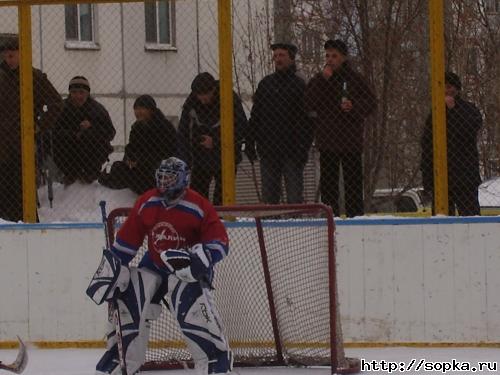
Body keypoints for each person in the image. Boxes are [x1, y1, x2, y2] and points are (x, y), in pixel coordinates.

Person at [87, 157, 232, 375]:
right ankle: (122, 359)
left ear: (183, 179)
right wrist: (112, 269)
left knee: (192, 307)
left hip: (186, 269)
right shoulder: (148, 201)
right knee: (128, 294)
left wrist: (201, 260)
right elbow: (127, 243)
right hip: (155, 264)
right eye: (161, 177)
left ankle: (213, 361)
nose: (164, 183)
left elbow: (219, 242)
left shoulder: (199, 205)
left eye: (170, 178)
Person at [306, 40, 376, 217]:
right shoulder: (319, 79)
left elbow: (371, 103)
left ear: (343, 57)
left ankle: (355, 217)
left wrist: (354, 106)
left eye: (334, 56)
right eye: (327, 55)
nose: (330, 60)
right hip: (328, 140)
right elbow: (308, 102)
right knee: (329, 185)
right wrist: (323, 80)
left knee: (353, 183)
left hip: (350, 140)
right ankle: (331, 217)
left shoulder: (354, 79)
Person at [0, 36, 63, 221]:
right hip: (3, 145)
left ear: (22, 54)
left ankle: (27, 227)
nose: (8, 60)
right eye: (6, 56)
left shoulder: (33, 77)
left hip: (22, 146)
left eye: (12, 55)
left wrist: (38, 127)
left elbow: (56, 104)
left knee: (22, 192)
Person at [246, 43, 313, 204]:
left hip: (292, 151)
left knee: (294, 198)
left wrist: (303, 147)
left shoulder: (299, 85)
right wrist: (249, 141)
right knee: (269, 199)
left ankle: (296, 226)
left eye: (281, 55)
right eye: (275, 56)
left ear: (291, 58)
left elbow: (308, 122)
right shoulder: (265, 84)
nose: (278, 59)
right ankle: (269, 227)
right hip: (269, 150)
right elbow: (255, 116)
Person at [177, 72, 247, 205]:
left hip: (226, 157)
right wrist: (184, 160)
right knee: (197, 198)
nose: (202, 100)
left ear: (213, 90)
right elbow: (183, 132)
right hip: (200, 158)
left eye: (205, 96)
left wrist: (216, 141)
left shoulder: (228, 97)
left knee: (222, 199)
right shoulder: (192, 102)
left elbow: (241, 127)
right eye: (199, 96)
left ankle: (220, 221)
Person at [420, 72, 483, 216]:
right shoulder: (434, 113)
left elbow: (469, 130)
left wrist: (453, 110)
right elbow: (427, 145)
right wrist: (427, 178)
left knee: (470, 215)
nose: (446, 91)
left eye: (449, 87)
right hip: (441, 176)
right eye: (443, 87)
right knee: (441, 218)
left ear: (457, 89)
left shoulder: (469, 109)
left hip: (465, 176)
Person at [99, 95, 176, 194]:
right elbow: (131, 147)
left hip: (157, 167)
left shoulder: (164, 127)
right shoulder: (137, 127)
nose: (138, 112)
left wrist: (140, 161)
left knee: (142, 178)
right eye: (136, 109)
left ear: (151, 110)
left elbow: (164, 153)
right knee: (118, 167)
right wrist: (130, 159)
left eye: (142, 108)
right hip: (140, 165)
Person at [52, 76, 116, 184]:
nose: (78, 96)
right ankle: (69, 174)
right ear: (69, 93)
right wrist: (73, 135)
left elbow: (110, 133)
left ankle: (90, 173)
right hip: (68, 150)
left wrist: (92, 126)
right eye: (74, 92)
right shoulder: (61, 108)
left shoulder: (97, 109)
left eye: (81, 92)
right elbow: (53, 131)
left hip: (91, 151)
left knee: (90, 136)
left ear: (87, 93)